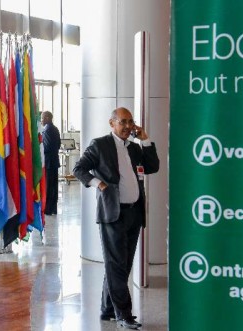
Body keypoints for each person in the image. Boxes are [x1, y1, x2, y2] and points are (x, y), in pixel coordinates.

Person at [73, 107, 159, 330]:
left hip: (134, 213)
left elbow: (153, 166)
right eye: (123, 122)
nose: (128, 127)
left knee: (122, 265)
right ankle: (124, 315)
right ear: (112, 123)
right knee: (116, 265)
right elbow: (79, 168)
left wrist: (146, 140)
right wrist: (98, 184)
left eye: (131, 122)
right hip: (112, 214)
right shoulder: (100, 145)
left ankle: (108, 309)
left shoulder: (133, 148)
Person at [41, 111, 61, 215]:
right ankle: (53, 208)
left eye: (43, 118)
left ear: (48, 118)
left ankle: (48, 209)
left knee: (49, 186)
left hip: (49, 162)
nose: (41, 120)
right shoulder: (55, 129)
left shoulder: (47, 129)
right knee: (53, 186)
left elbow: (47, 146)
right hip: (54, 162)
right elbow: (58, 145)